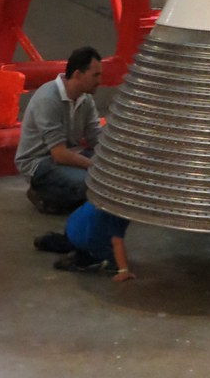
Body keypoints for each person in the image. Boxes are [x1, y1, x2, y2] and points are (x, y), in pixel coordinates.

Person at [15, 46, 103, 214]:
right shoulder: (48, 98)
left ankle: (63, 197)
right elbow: (59, 154)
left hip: (71, 154)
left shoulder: (86, 99)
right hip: (40, 162)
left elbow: (96, 137)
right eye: (95, 75)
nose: (100, 80)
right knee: (90, 184)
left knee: (108, 179)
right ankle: (44, 195)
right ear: (78, 74)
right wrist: (95, 165)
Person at [34, 200, 135, 282]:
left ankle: (48, 241)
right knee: (113, 262)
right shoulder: (120, 211)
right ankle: (81, 259)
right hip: (87, 238)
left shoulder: (103, 192)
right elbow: (117, 242)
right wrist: (123, 271)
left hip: (73, 224)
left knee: (79, 237)